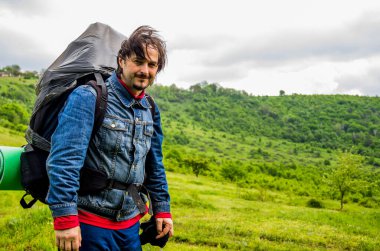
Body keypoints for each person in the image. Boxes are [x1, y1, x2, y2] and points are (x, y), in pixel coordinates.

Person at [46, 26, 173, 251]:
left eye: (152, 65)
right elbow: (65, 160)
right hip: (90, 223)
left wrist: (162, 209)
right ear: (122, 60)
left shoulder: (150, 108)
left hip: (130, 223)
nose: (145, 70)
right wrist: (65, 218)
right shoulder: (88, 97)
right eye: (139, 61)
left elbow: (154, 164)